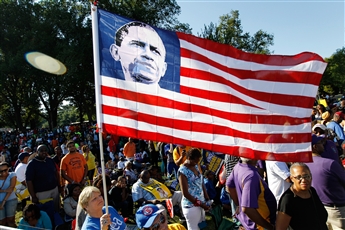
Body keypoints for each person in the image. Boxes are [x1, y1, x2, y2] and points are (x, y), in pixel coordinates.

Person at [305, 135, 345, 229]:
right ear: (315, 147)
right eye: (320, 143)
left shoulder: (303, 165)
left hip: (318, 208)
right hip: (337, 209)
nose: (323, 145)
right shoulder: (329, 164)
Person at [226, 157, 276, 230]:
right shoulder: (251, 176)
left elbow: (229, 186)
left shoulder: (238, 166)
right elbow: (247, 208)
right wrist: (269, 227)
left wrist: (239, 204)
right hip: (259, 225)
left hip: (249, 222)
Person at [275, 163, 328, 230]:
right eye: (298, 177)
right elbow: (280, 228)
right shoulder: (288, 199)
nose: (303, 180)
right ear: (291, 178)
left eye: (306, 176)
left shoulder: (312, 191)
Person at [178, 148, 210, 230]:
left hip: (200, 203)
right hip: (191, 206)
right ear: (188, 158)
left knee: (200, 226)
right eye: (195, 161)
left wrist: (206, 197)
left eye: (198, 161)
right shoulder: (182, 171)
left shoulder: (195, 165)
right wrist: (201, 204)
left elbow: (201, 181)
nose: (197, 163)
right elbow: (185, 193)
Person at [26, 144, 61, 211]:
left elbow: (56, 173)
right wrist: (33, 196)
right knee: (45, 211)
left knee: (56, 209)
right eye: (41, 151)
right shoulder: (32, 164)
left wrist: (59, 185)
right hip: (41, 193)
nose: (44, 152)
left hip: (54, 189)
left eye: (45, 150)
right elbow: (29, 181)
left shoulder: (50, 160)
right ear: (37, 152)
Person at [0, 162, 17, 227]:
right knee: (2, 221)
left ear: (8, 169)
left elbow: (11, 189)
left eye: (5, 170)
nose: (3, 172)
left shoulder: (12, 175)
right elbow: (8, 189)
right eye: (1, 171)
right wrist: (5, 190)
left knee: (10, 220)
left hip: (11, 199)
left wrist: (3, 203)